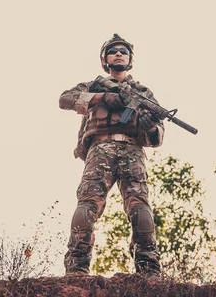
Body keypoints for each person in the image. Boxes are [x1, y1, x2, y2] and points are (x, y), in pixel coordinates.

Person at [59, 33, 164, 278]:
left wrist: (149, 125)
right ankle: (76, 268)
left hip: (132, 151)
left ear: (130, 60)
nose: (119, 53)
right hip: (101, 149)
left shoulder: (143, 93)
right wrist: (104, 98)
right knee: (87, 206)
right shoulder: (93, 85)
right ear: (105, 59)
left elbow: (158, 136)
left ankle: (149, 270)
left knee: (140, 209)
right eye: (113, 50)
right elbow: (65, 99)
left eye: (124, 51)